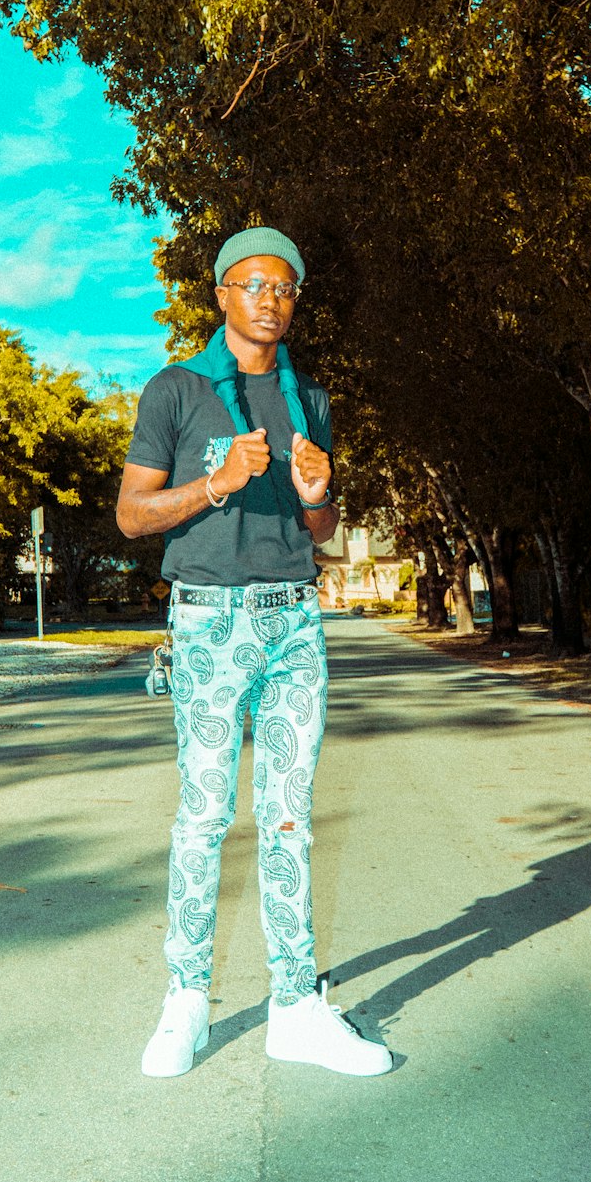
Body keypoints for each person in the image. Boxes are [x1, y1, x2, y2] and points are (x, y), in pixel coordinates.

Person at [117, 226, 392, 1079]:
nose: (271, 298)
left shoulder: (310, 399)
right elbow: (131, 515)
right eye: (253, 284)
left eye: (285, 287)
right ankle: (186, 1002)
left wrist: (319, 495)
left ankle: (295, 1008)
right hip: (207, 624)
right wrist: (213, 484)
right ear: (221, 297)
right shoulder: (177, 390)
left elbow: (323, 530)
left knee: (286, 820)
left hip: (295, 621)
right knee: (202, 818)